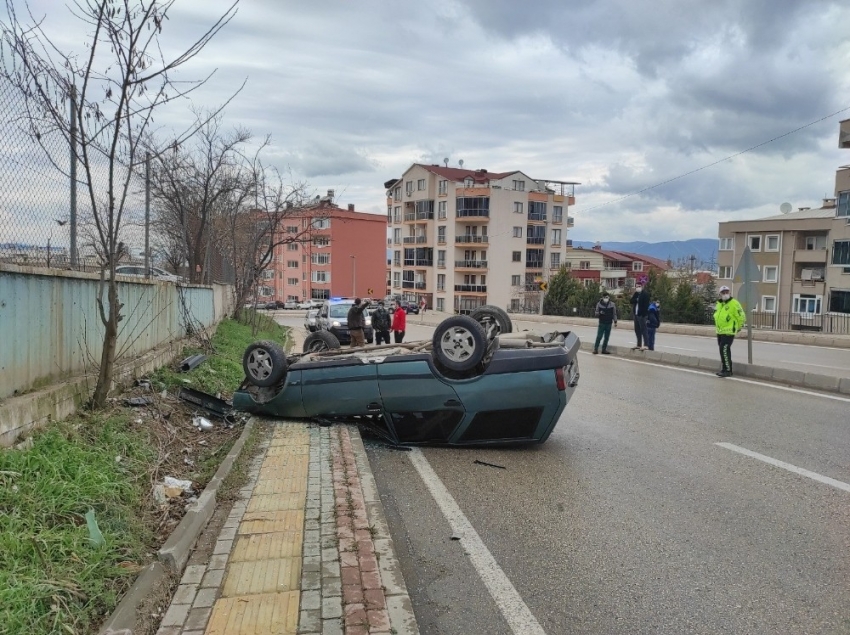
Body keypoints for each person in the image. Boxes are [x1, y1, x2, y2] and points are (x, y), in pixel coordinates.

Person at [713, 285, 745, 377]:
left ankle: (728, 370)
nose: (725, 294)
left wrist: (738, 327)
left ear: (730, 293)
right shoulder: (719, 304)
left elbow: (741, 316)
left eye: (727, 292)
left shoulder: (734, 303)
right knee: (722, 350)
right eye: (723, 292)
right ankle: (724, 369)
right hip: (720, 331)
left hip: (729, 331)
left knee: (724, 349)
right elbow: (717, 315)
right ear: (720, 294)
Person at [629, 282, 650, 350]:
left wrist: (643, 314)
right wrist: (636, 300)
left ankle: (646, 345)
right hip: (636, 314)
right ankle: (639, 344)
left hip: (642, 315)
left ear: (642, 287)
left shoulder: (645, 294)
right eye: (637, 286)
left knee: (644, 330)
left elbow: (646, 305)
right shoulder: (636, 294)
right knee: (637, 330)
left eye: (639, 286)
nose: (638, 288)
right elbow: (631, 301)